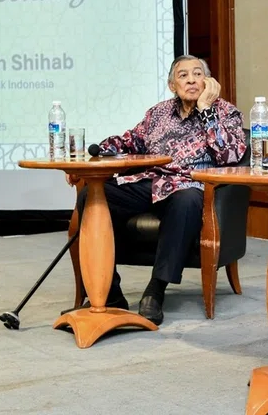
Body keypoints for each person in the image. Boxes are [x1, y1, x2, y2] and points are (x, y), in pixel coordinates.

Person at [69, 55, 245, 326]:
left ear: (208, 82)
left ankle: (156, 289)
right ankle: (108, 289)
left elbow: (230, 156)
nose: (191, 80)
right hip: (151, 181)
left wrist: (207, 110)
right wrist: (95, 152)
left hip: (190, 185)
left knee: (186, 200)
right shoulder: (158, 113)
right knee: (94, 195)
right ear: (172, 85)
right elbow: (130, 140)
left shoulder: (225, 112)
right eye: (183, 75)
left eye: (198, 74)